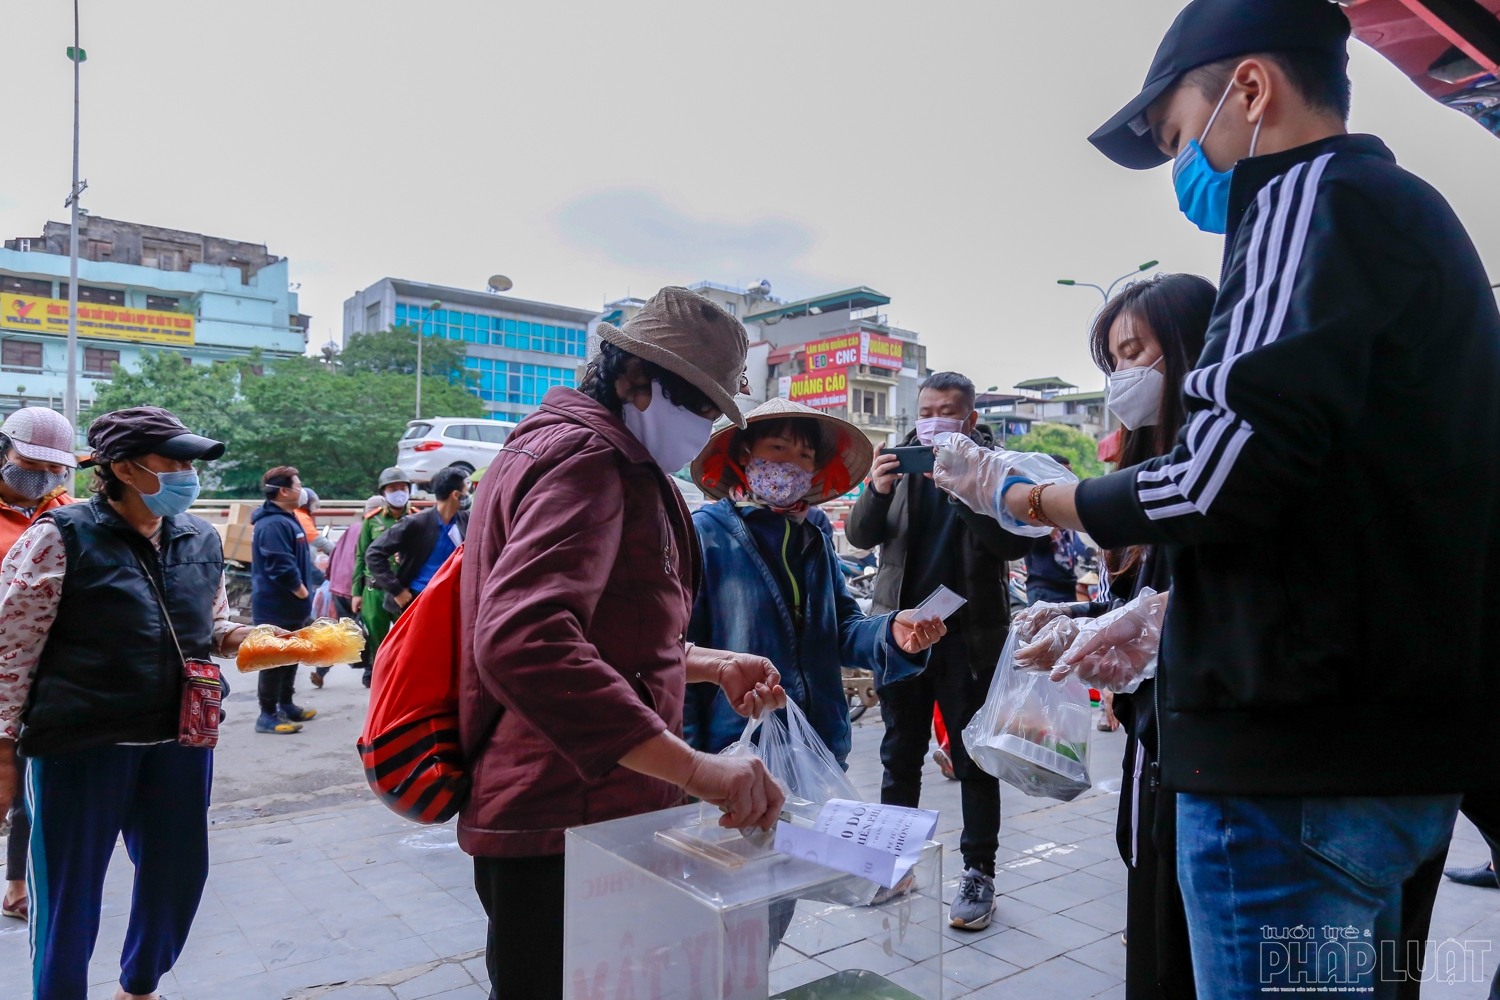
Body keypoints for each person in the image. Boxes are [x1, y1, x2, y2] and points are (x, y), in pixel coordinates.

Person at [939, 0, 1500, 992]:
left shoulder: (1306, 197)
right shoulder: (1408, 223)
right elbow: (1330, 500)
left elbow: (1218, 474)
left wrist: (1034, 498)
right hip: (1386, 763)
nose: (1186, 172)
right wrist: (1157, 612)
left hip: (1292, 781)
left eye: (1176, 136)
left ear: (1250, 88)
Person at [459, 287, 788, 1000]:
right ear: (635, 380)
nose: (704, 429)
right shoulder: (589, 459)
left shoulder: (591, 453)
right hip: (562, 816)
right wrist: (698, 770)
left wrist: (709, 662)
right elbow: (525, 639)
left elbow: (608, 632)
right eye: (698, 407)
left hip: (585, 808)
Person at [0, 405, 262, 1000]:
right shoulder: (58, 537)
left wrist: (251, 637)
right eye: (172, 460)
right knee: (69, 894)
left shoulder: (200, 536)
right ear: (123, 467)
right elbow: (10, 651)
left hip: (179, 738)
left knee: (177, 875)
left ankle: (138, 985)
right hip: (80, 744)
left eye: (189, 462)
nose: (186, 474)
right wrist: (3, 754)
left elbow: (211, 621)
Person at [1013, 272, 1215, 1000]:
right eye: (1115, 361)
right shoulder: (1147, 467)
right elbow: (1139, 601)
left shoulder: (1208, 473)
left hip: (1203, 756)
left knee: (1188, 948)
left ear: (1192, 349)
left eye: (1138, 352)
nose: (1125, 376)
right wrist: (1081, 621)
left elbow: (1192, 604)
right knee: (1154, 924)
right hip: (1155, 748)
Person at [845, 371, 1033, 930]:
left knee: (975, 759)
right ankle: (894, 863)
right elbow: (859, 537)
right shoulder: (899, 463)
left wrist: (965, 485)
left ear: (970, 418)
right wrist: (875, 489)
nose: (934, 420)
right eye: (926, 410)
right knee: (899, 753)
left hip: (970, 640)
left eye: (947, 411)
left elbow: (1011, 540)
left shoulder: (997, 469)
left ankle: (979, 873)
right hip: (903, 633)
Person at [682, 398, 944, 765]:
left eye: (805, 455)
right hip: (738, 749)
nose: (792, 463)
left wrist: (892, 634)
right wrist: (691, 766)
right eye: (778, 448)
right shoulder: (705, 536)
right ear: (744, 453)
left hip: (820, 745)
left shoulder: (813, 539)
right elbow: (682, 657)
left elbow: (842, 630)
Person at [0, 407, 80, 924]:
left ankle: (15, 881)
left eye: (57, 470)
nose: (45, 479)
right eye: (32, 465)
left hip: (51, 677)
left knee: (34, 784)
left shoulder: (67, 514)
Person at [251, 466, 317, 735]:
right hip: (276, 605)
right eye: (298, 485)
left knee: (290, 655)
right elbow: (280, 565)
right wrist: (301, 591)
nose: (302, 490)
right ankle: (267, 715)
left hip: (292, 606)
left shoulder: (287, 517)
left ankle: (286, 703)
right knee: (274, 658)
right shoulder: (272, 523)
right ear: (284, 491)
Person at [365, 465, 470, 614]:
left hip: (455, 599)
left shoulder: (466, 521)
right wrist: (397, 590)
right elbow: (374, 554)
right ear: (455, 495)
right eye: (466, 490)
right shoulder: (416, 524)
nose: (469, 495)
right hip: (421, 599)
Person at [310, 494, 384, 689]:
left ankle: (321, 670)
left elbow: (335, 554)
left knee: (344, 633)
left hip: (338, 588)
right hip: (360, 590)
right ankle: (370, 674)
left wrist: (331, 580)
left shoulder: (352, 528)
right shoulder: (377, 530)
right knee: (370, 632)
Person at [351, 468, 412, 667]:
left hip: (405, 590)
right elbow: (361, 557)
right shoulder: (371, 522)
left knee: (409, 641)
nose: (399, 492)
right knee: (378, 643)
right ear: (384, 493)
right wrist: (356, 593)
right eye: (393, 488)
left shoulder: (418, 518)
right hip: (374, 591)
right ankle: (380, 680)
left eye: (403, 488)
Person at [1022, 456, 1088, 605]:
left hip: (1069, 587)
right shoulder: (1037, 506)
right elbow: (1033, 544)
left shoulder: (1069, 509)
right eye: (1064, 473)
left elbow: (1077, 546)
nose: (1069, 479)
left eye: (1071, 473)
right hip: (1045, 590)